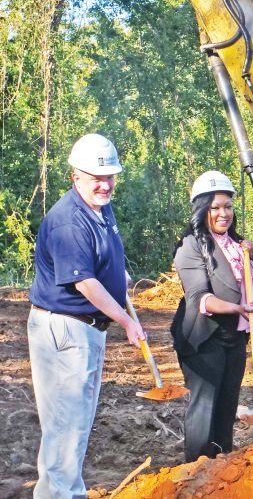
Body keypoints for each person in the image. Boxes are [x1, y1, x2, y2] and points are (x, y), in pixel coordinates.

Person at [28, 133, 147, 498]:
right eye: (97, 177)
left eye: (110, 176)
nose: (105, 184)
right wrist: (126, 321)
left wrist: (118, 273)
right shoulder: (68, 221)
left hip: (85, 329)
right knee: (66, 426)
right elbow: (85, 284)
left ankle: (62, 493)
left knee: (74, 425)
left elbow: (103, 253)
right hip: (65, 330)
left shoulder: (99, 206)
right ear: (75, 176)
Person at [171, 171, 253, 462]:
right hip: (205, 337)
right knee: (205, 406)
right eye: (215, 208)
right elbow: (201, 298)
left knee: (227, 404)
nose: (223, 213)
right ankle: (197, 468)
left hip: (235, 335)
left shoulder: (238, 244)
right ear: (202, 209)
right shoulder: (190, 246)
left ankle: (222, 467)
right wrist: (237, 309)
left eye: (228, 206)